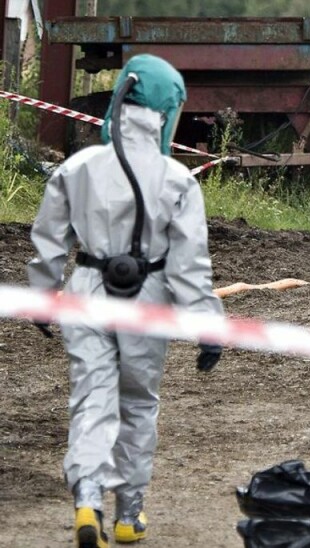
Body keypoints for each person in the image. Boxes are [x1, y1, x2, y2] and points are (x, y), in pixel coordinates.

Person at [27, 54, 224, 547]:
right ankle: (128, 516)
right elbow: (189, 267)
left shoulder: (76, 168)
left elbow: (48, 241)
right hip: (148, 299)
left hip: (86, 294)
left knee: (92, 400)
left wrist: (42, 297)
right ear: (167, 112)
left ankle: (87, 502)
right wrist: (206, 326)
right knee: (137, 406)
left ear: (120, 98)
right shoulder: (178, 181)